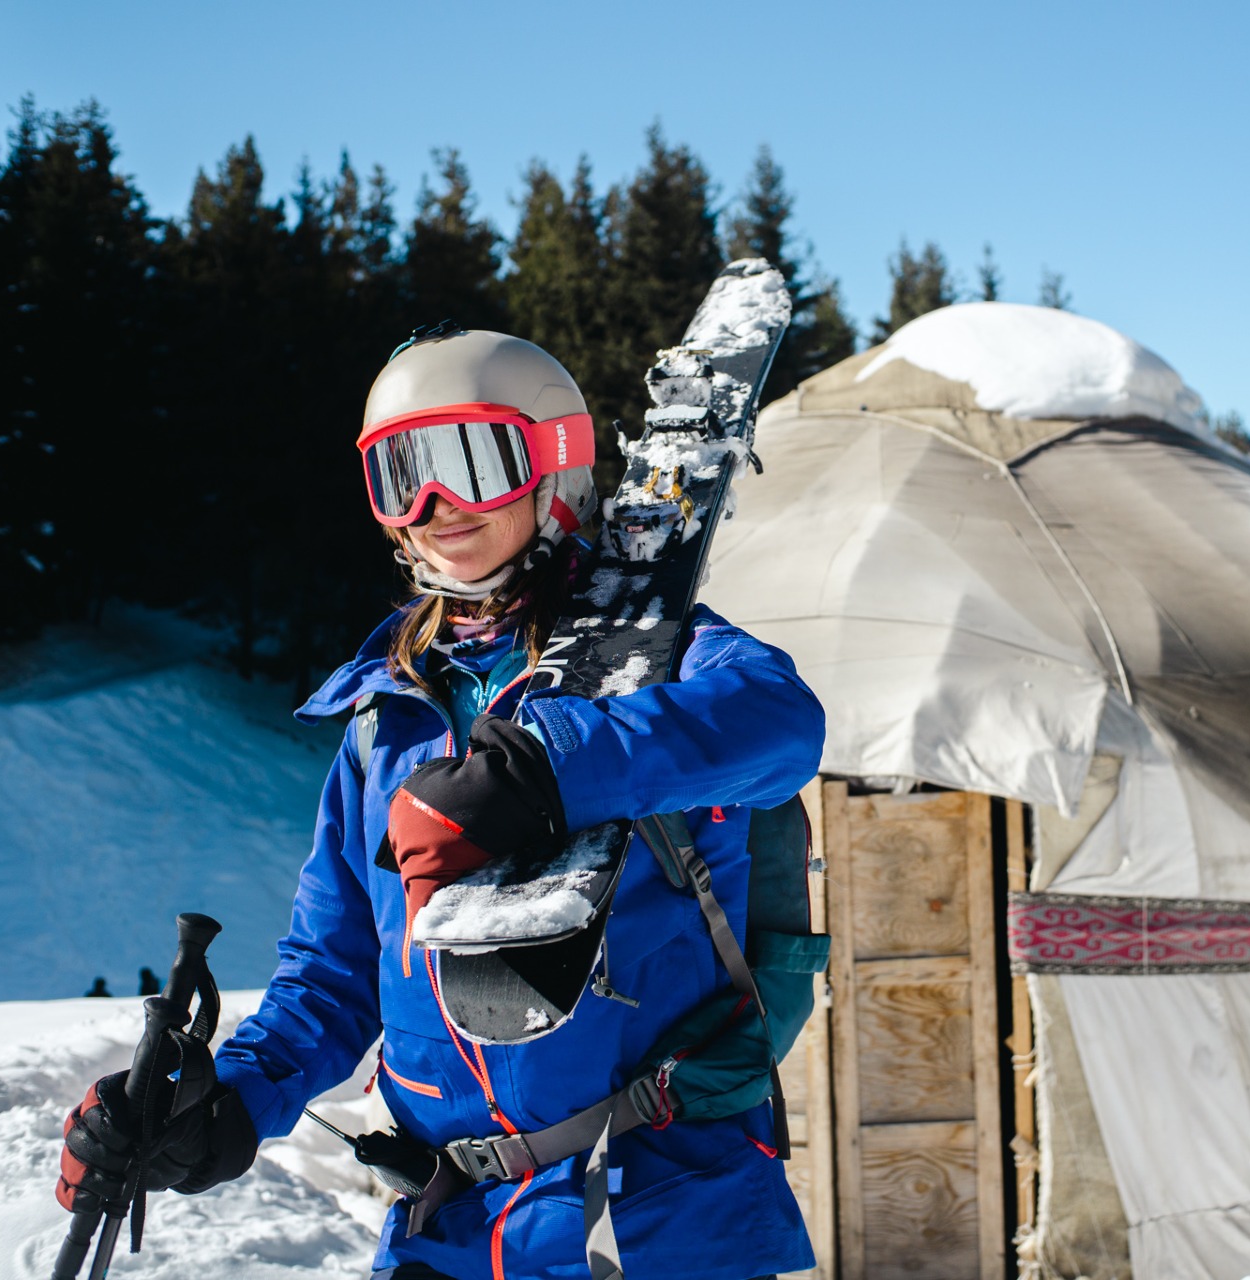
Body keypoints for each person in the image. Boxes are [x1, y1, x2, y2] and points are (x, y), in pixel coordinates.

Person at [55, 329, 826, 1280]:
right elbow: (331, 978)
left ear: (556, 465)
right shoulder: (387, 720)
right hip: (450, 1226)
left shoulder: (667, 661)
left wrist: (549, 768)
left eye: (469, 463)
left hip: (659, 1214)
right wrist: (223, 1107)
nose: (433, 506)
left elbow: (784, 726)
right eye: (399, 474)